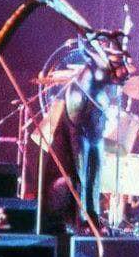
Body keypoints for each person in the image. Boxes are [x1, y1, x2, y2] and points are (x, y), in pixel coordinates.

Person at [41, 36, 131, 234]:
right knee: (78, 174)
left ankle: (92, 216)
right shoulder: (77, 93)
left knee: (94, 170)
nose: (123, 71)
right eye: (114, 65)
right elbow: (79, 165)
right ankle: (79, 219)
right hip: (66, 180)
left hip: (91, 141)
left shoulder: (100, 92)